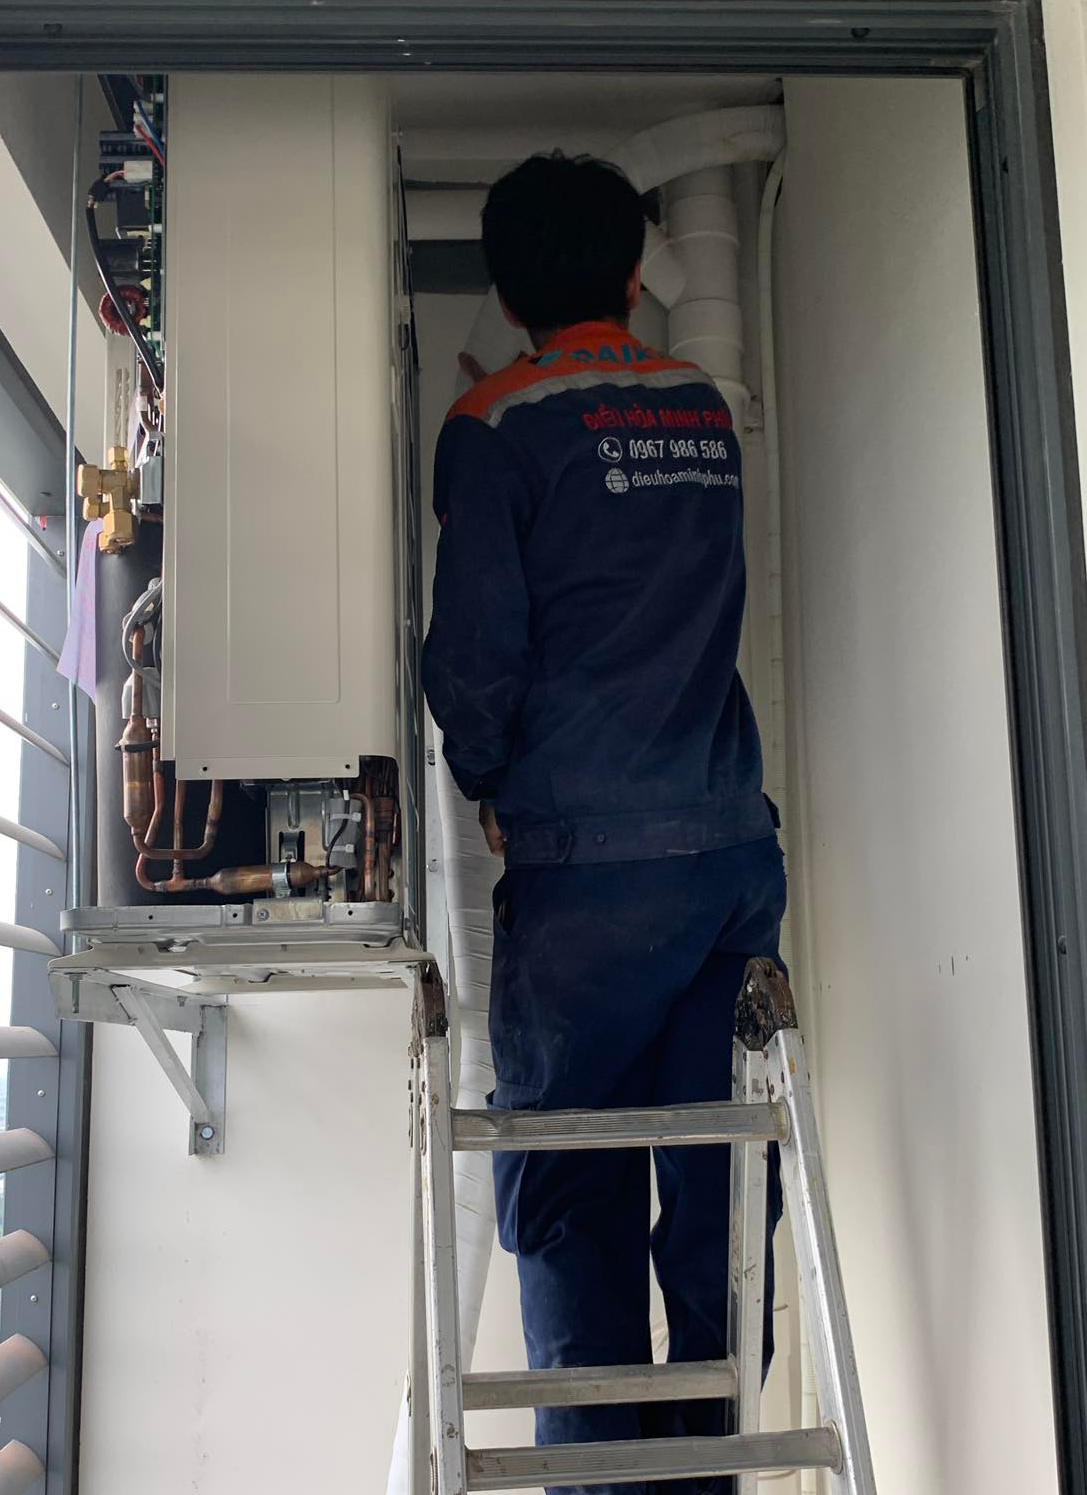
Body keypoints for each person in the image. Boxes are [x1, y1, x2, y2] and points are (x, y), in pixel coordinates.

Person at [422, 152, 786, 1495]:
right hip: (727, 861)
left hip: (586, 883)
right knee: (719, 1199)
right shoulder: (702, 410)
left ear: (510, 294)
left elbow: (475, 659)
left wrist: (488, 777)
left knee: (574, 1206)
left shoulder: (494, 424)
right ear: (637, 278)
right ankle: (709, 1474)